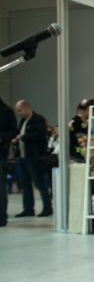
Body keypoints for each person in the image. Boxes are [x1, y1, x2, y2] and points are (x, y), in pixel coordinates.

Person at [13, 100, 52, 217]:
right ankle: (28, 209)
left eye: (20, 111)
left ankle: (47, 208)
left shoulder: (38, 119)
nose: (19, 113)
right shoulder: (23, 121)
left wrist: (22, 137)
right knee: (25, 185)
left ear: (26, 108)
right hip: (23, 157)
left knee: (40, 184)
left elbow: (39, 135)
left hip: (35, 158)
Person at [0, 97, 18, 227]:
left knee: (1, 188)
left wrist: (1, 137)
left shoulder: (6, 111)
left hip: (1, 154)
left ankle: (1, 217)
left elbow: (13, 132)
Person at [69, 98, 94, 163]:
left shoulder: (86, 122)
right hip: (76, 157)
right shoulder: (76, 122)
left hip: (82, 155)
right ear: (89, 109)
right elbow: (82, 142)